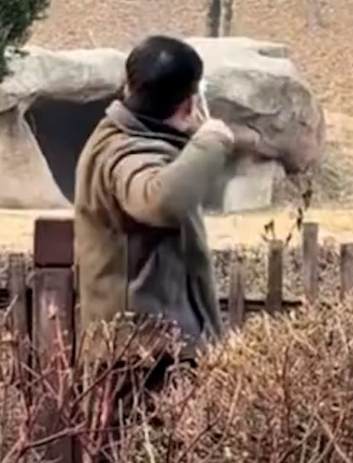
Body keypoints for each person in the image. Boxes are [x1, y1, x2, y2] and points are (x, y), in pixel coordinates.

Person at [73, 35, 258, 456]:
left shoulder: (136, 138)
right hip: (143, 360)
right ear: (190, 103)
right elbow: (161, 200)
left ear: (128, 84)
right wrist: (211, 140)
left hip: (157, 354)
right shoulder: (124, 152)